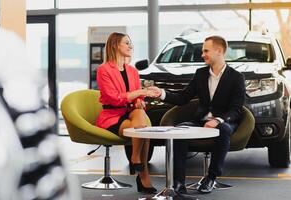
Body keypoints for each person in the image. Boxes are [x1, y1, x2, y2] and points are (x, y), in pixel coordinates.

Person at [149, 35, 245, 194]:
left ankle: (211, 177)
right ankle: (179, 182)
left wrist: (218, 120)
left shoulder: (236, 77)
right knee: (179, 131)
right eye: (203, 51)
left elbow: (236, 109)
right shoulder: (200, 74)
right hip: (200, 121)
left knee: (224, 130)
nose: (202, 55)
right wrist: (161, 93)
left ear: (219, 51)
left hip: (224, 122)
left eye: (206, 51)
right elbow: (182, 98)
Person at [96, 32, 158, 194]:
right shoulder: (104, 70)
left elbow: (138, 96)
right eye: (127, 43)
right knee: (144, 130)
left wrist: (139, 99)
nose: (131, 46)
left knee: (139, 113)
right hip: (113, 115)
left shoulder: (132, 70)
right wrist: (139, 93)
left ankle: (135, 157)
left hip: (131, 112)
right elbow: (114, 99)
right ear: (116, 45)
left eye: (131, 43)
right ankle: (143, 175)